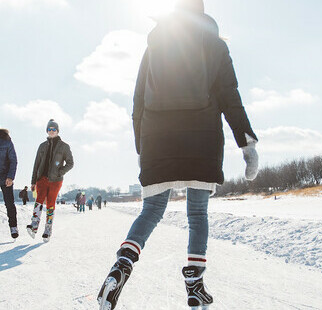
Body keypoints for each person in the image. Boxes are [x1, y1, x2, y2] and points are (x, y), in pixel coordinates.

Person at [97, 1, 259, 308]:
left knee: (151, 211)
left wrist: (142, 148)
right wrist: (246, 143)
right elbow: (231, 98)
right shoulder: (215, 46)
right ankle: (194, 284)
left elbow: (137, 103)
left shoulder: (153, 47)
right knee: (197, 215)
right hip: (202, 141)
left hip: (158, 141)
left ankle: (122, 266)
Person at [27, 119, 74, 242]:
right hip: (41, 179)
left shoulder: (64, 146)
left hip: (55, 180)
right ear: (47, 131)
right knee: (39, 200)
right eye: (49, 129)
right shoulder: (42, 146)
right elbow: (36, 164)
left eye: (54, 129)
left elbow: (70, 163)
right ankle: (34, 225)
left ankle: (48, 229)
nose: (51, 131)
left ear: (57, 131)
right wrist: (33, 181)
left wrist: (59, 172)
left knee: (51, 203)